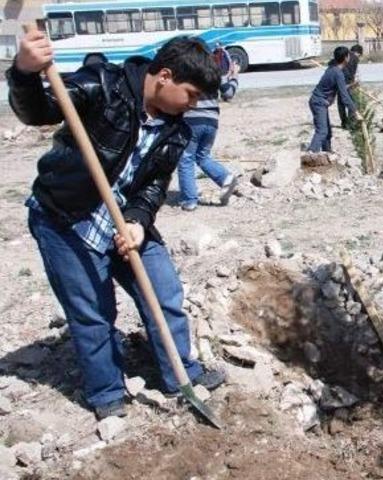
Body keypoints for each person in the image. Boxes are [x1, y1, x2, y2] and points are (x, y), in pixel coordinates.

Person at [7, 34, 226, 419]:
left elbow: (154, 186)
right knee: (93, 311)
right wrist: (24, 73)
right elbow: (39, 110)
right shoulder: (103, 85)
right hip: (66, 217)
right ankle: (107, 392)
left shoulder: (178, 130)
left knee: (164, 292)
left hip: (123, 220)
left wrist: (139, 222)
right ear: (164, 76)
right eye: (191, 94)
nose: (193, 106)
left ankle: (180, 374)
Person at [177, 57, 241, 211]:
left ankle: (189, 200)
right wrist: (234, 77)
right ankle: (225, 178)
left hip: (192, 120)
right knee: (203, 156)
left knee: (186, 158)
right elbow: (229, 94)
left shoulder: (185, 74)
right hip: (212, 121)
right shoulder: (213, 75)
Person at [307, 46, 362, 153]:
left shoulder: (333, 70)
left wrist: (352, 85)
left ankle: (327, 152)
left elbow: (341, 87)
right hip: (318, 103)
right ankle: (311, 153)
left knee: (328, 132)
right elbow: (345, 97)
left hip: (319, 102)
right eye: (349, 56)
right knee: (322, 131)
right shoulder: (337, 73)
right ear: (346, 58)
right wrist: (355, 112)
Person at [337, 44, 363, 129]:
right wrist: (355, 83)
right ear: (358, 53)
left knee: (341, 103)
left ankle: (344, 123)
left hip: (339, 81)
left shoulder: (342, 55)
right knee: (351, 101)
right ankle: (351, 123)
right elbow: (355, 73)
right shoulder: (355, 58)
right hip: (349, 82)